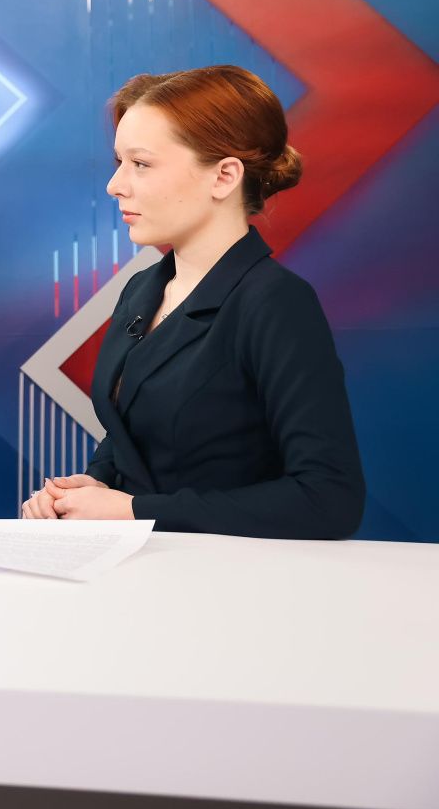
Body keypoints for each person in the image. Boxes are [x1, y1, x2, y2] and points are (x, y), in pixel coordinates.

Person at [21, 66, 365, 538]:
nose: (115, 185)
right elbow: (132, 435)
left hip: (229, 576)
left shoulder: (275, 302)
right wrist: (91, 487)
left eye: (141, 164)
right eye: (119, 162)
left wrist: (134, 511)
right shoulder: (142, 289)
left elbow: (328, 499)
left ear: (224, 176)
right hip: (141, 567)